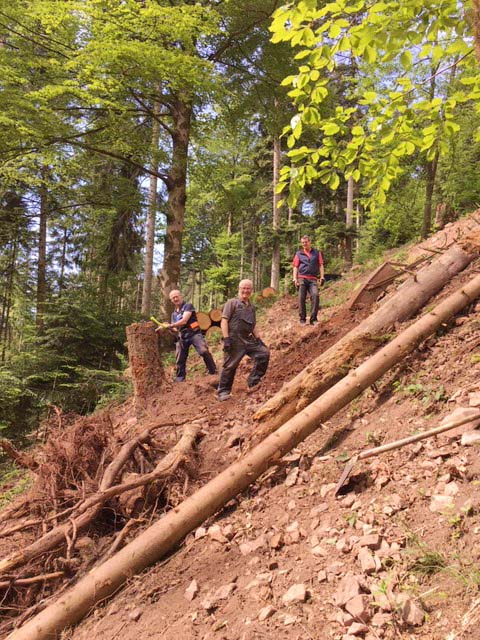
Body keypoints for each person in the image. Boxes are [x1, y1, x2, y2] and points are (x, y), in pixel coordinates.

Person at [217, 279, 270, 401]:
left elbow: (253, 325)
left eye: (248, 288)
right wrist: (226, 338)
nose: (246, 291)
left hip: (248, 339)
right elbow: (224, 321)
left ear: (251, 290)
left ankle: (254, 381)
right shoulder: (232, 303)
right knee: (230, 365)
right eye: (243, 288)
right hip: (234, 339)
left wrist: (258, 339)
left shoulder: (251, 307)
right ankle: (223, 391)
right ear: (239, 289)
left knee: (264, 353)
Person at [166, 290, 217, 382]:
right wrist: (169, 328)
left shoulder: (188, 306)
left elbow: (184, 320)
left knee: (204, 351)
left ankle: (213, 371)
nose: (175, 299)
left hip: (194, 334)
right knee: (179, 358)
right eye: (173, 298)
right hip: (182, 336)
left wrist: (171, 325)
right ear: (171, 300)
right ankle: (180, 379)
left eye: (176, 296)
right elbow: (176, 329)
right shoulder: (174, 314)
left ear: (181, 296)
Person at [292, 235, 325, 325]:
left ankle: (313, 319)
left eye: (306, 242)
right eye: (302, 243)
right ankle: (302, 319)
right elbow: (295, 267)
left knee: (315, 295)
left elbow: (321, 265)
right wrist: (294, 278)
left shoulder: (317, 253)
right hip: (302, 278)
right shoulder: (299, 253)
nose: (304, 244)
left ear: (310, 242)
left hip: (313, 279)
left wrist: (322, 276)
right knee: (301, 298)